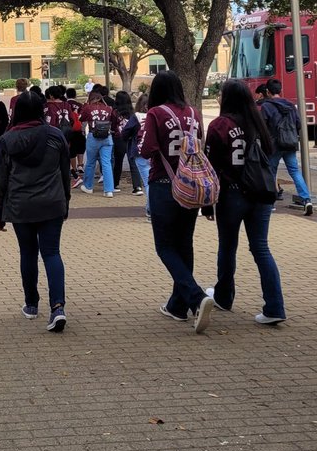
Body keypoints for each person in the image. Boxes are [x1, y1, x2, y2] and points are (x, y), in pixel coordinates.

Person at [203, 79, 286, 324]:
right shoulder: (258, 122)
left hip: (232, 194)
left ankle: (224, 296)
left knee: (228, 246)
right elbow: (269, 154)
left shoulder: (220, 125)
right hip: (261, 193)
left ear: (226, 99)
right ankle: (275, 307)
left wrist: (208, 203)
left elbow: (211, 167)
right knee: (261, 248)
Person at [138, 70, 213, 332]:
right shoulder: (193, 113)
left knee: (165, 247)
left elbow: (146, 149)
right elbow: (200, 144)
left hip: (163, 184)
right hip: (190, 185)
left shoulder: (155, 114)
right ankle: (177, 306)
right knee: (184, 244)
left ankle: (196, 296)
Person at [0, 90, 70, 332]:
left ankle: (31, 304)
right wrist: (65, 202)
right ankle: (57, 307)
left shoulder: (6, 141)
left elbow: (0, 182)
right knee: (52, 253)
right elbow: (65, 174)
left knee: (28, 253)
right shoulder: (56, 136)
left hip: (20, 205)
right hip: (52, 204)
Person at [259, 79, 313, 214]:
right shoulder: (290, 105)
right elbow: (298, 124)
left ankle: (270, 203)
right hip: (290, 143)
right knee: (294, 171)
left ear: (267, 92)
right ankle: (306, 199)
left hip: (274, 145)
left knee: (271, 172)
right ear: (280, 90)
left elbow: (262, 126)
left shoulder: (266, 106)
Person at [79, 87, 117, 196]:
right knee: (106, 163)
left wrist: (85, 105)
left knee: (90, 162)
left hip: (93, 137)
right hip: (107, 137)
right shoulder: (109, 108)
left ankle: (88, 186)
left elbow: (81, 118)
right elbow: (114, 121)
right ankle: (109, 190)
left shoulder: (88, 108)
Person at [121, 92, 151, 214]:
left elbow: (125, 132)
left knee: (148, 182)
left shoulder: (136, 117)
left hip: (139, 151)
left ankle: (151, 210)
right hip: (154, 152)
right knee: (153, 181)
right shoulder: (157, 115)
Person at [112, 90, 144, 194]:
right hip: (131, 139)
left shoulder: (115, 112)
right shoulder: (132, 113)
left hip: (118, 139)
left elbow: (112, 126)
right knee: (133, 163)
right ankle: (137, 186)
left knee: (118, 162)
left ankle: (115, 184)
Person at [64, 87, 86, 187]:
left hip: (68, 130)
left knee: (71, 151)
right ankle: (80, 165)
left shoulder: (65, 105)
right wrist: (83, 129)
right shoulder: (80, 105)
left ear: (66, 95)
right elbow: (83, 118)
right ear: (75, 95)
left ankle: (74, 169)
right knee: (80, 148)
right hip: (79, 129)